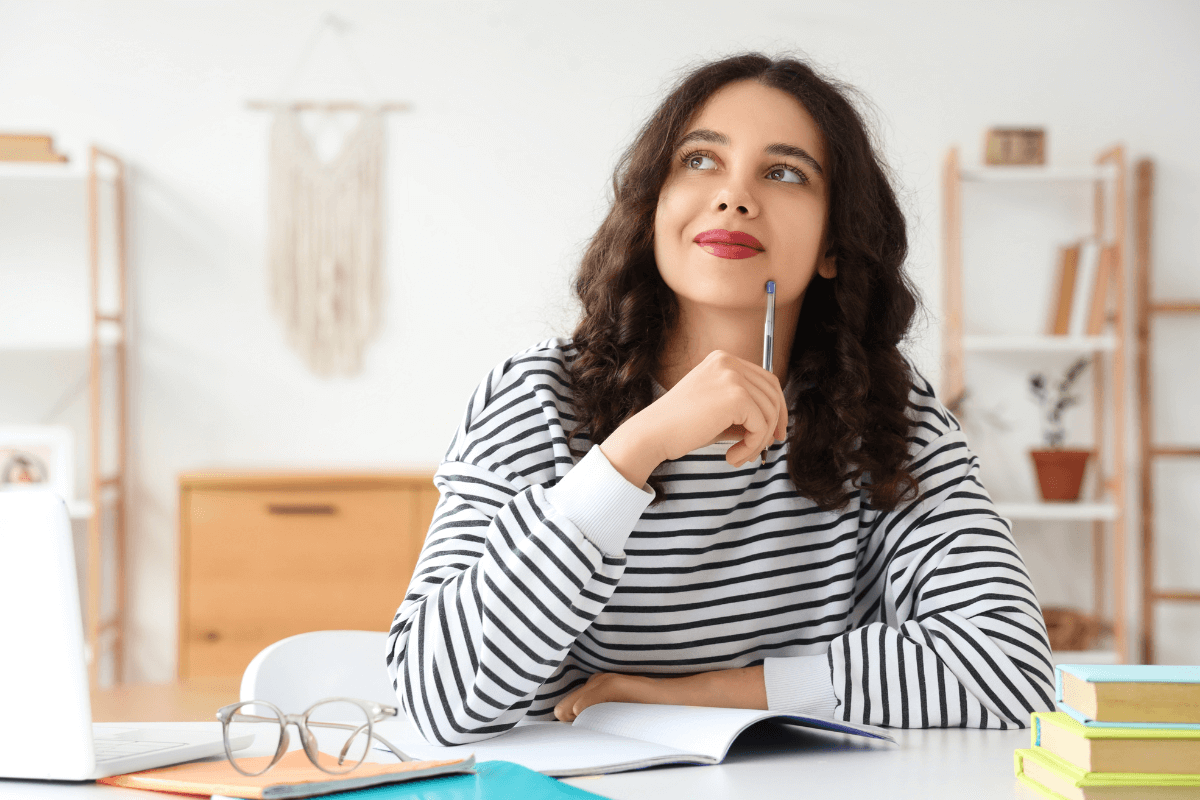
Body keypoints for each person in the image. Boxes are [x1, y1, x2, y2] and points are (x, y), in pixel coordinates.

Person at [386, 53, 1055, 746]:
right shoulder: (535, 397)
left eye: (784, 172)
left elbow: (1010, 665)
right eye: (700, 161)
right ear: (654, 206)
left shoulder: (889, 415)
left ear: (833, 243)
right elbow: (435, 699)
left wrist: (700, 697)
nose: (735, 197)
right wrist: (631, 454)